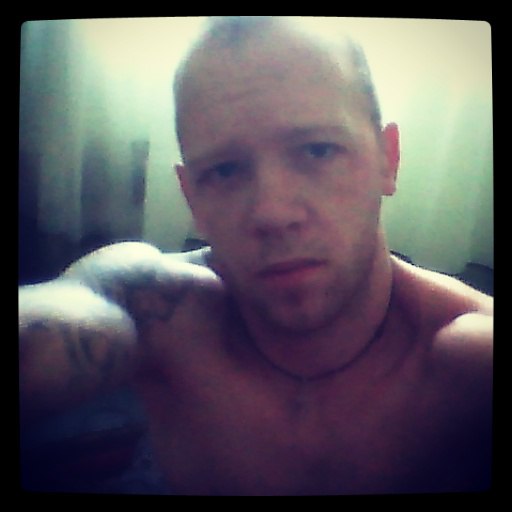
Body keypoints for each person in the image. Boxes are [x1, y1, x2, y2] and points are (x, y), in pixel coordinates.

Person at [19, 16, 493, 495]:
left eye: (318, 151)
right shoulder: (160, 311)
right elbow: (64, 317)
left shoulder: (469, 357)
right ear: (192, 197)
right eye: (224, 171)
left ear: (387, 159)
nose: (272, 213)